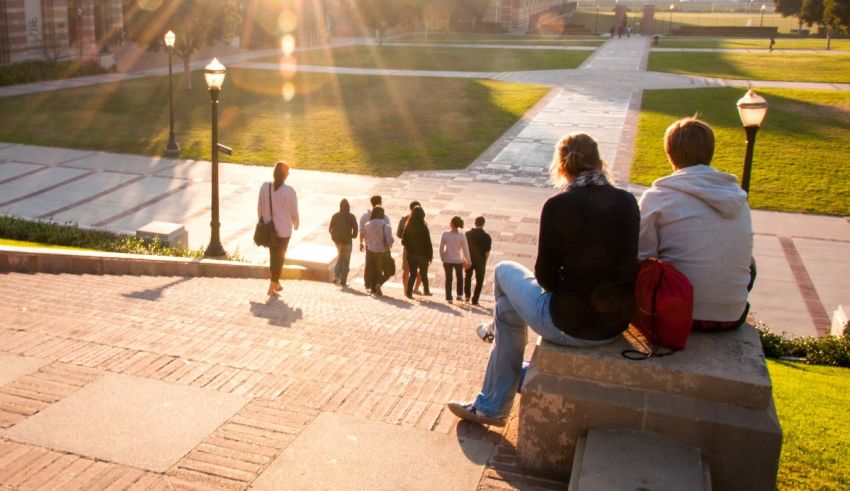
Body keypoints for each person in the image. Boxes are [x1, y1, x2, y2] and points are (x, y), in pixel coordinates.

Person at [447, 133, 639, 427]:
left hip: (569, 324)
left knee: (503, 271)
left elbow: (546, 279)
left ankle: (492, 345)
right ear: (600, 162)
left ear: (562, 167)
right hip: (613, 325)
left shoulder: (559, 205)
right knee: (507, 310)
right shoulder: (627, 202)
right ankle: (490, 405)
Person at [638, 117, 753, 331]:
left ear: (669, 153)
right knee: (748, 262)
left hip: (673, 311)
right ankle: (722, 303)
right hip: (731, 316)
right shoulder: (737, 198)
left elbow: (643, 256)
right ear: (710, 151)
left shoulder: (658, 197)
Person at [257, 161, 299, 297]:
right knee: (279, 258)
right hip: (284, 230)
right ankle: (272, 285)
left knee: (273, 256)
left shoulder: (265, 187)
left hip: (270, 229)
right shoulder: (290, 191)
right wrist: (296, 223)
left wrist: (262, 221)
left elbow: (260, 207)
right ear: (285, 175)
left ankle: (276, 283)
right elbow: (294, 212)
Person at [401, 206, 433, 299]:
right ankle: (426, 290)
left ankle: (409, 293)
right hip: (423, 255)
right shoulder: (424, 227)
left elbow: (403, 241)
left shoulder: (408, 225)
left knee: (413, 274)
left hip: (411, 255)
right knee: (424, 273)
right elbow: (428, 242)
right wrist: (430, 256)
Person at [360, 195, 390, 291]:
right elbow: (388, 235)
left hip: (369, 245)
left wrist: (361, 243)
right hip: (381, 248)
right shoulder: (385, 218)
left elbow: (362, 231)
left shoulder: (365, 217)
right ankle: (376, 285)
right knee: (378, 267)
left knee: (369, 265)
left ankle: (368, 284)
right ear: (380, 203)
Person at [363, 207, 393, 296]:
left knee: (373, 269)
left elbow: (366, 239)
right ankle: (377, 285)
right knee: (385, 270)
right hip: (382, 251)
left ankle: (373, 289)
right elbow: (390, 240)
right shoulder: (386, 226)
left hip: (370, 250)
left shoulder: (367, 225)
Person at [440, 216, 471, 304]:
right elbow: (466, 249)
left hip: (447, 260)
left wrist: (442, 257)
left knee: (448, 278)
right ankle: (459, 295)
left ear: (452, 223)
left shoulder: (445, 234)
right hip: (458, 260)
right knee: (459, 277)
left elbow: (441, 248)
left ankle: (449, 297)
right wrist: (468, 261)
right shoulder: (462, 235)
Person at [329, 198, 358, 287]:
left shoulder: (335, 216)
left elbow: (330, 229)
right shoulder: (351, 216)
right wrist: (353, 236)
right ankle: (343, 281)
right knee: (346, 261)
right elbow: (355, 228)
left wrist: (334, 238)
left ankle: (337, 276)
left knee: (340, 258)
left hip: (338, 242)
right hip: (347, 242)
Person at [464, 216, 492, 306]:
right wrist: (485, 261)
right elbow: (487, 252)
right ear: (483, 224)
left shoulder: (468, 234)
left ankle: (467, 296)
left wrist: (465, 258)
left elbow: (464, 248)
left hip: (469, 259)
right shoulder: (487, 237)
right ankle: (475, 299)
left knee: (468, 277)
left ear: (474, 223)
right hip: (480, 261)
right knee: (479, 280)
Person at [398, 201, 423, 294]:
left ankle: (405, 290)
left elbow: (399, 234)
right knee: (422, 269)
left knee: (406, 270)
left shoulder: (404, 219)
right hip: (420, 250)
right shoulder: (423, 222)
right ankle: (415, 288)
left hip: (407, 249)